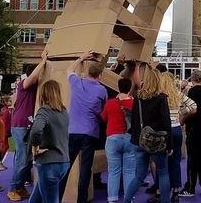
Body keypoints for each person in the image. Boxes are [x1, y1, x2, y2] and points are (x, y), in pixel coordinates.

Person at [59, 51, 107, 203]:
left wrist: (82, 58)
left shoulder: (77, 83)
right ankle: (82, 199)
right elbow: (102, 112)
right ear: (100, 75)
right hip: (90, 132)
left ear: (87, 72)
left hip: (73, 130)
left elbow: (69, 70)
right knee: (85, 169)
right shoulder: (102, 91)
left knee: (66, 166)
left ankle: (58, 197)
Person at [124, 65, 172, 203]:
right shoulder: (161, 98)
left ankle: (127, 200)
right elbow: (166, 122)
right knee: (163, 172)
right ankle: (165, 201)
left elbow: (133, 119)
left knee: (139, 176)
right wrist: (169, 144)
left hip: (140, 140)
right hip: (157, 140)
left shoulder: (138, 97)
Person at [8, 51, 48, 202]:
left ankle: (19, 187)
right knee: (22, 158)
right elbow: (31, 77)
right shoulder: (23, 85)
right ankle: (13, 188)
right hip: (20, 125)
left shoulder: (33, 88)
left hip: (27, 125)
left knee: (27, 157)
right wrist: (43, 61)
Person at [27, 80, 70, 203]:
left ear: (43, 94)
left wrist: (35, 147)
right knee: (36, 199)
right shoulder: (64, 112)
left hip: (49, 162)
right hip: (63, 161)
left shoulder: (44, 111)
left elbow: (35, 131)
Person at [158, 72, 197, 202]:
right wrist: (181, 113)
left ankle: (160, 191)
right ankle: (176, 190)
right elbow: (194, 106)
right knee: (175, 161)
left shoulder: (159, 95)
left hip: (163, 130)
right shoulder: (178, 94)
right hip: (176, 129)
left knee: (161, 163)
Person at [180, 70, 201, 197]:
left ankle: (190, 186)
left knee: (193, 158)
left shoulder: (191, 92)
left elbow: (190, 109)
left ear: (192, 79)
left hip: (194, 127)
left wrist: (182, 120)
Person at [100, 77, 135, 203]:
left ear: (118, 87)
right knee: (129, 171)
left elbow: (103, 118)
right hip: (130, 138)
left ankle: (112, 199)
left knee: (113, 171)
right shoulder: (134, 103)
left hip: (112, 138)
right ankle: (128, 198)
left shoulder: (109, 103)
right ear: (130, 88)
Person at [0, 95, 12, 171]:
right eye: (9, 101)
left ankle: (0, 162)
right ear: (5, 102)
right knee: (4, 147)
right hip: (3, 132)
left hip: (6, 132)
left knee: (6, 147)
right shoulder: (5, 110)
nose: (11, 102)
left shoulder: (6, 110)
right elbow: (3, 121)